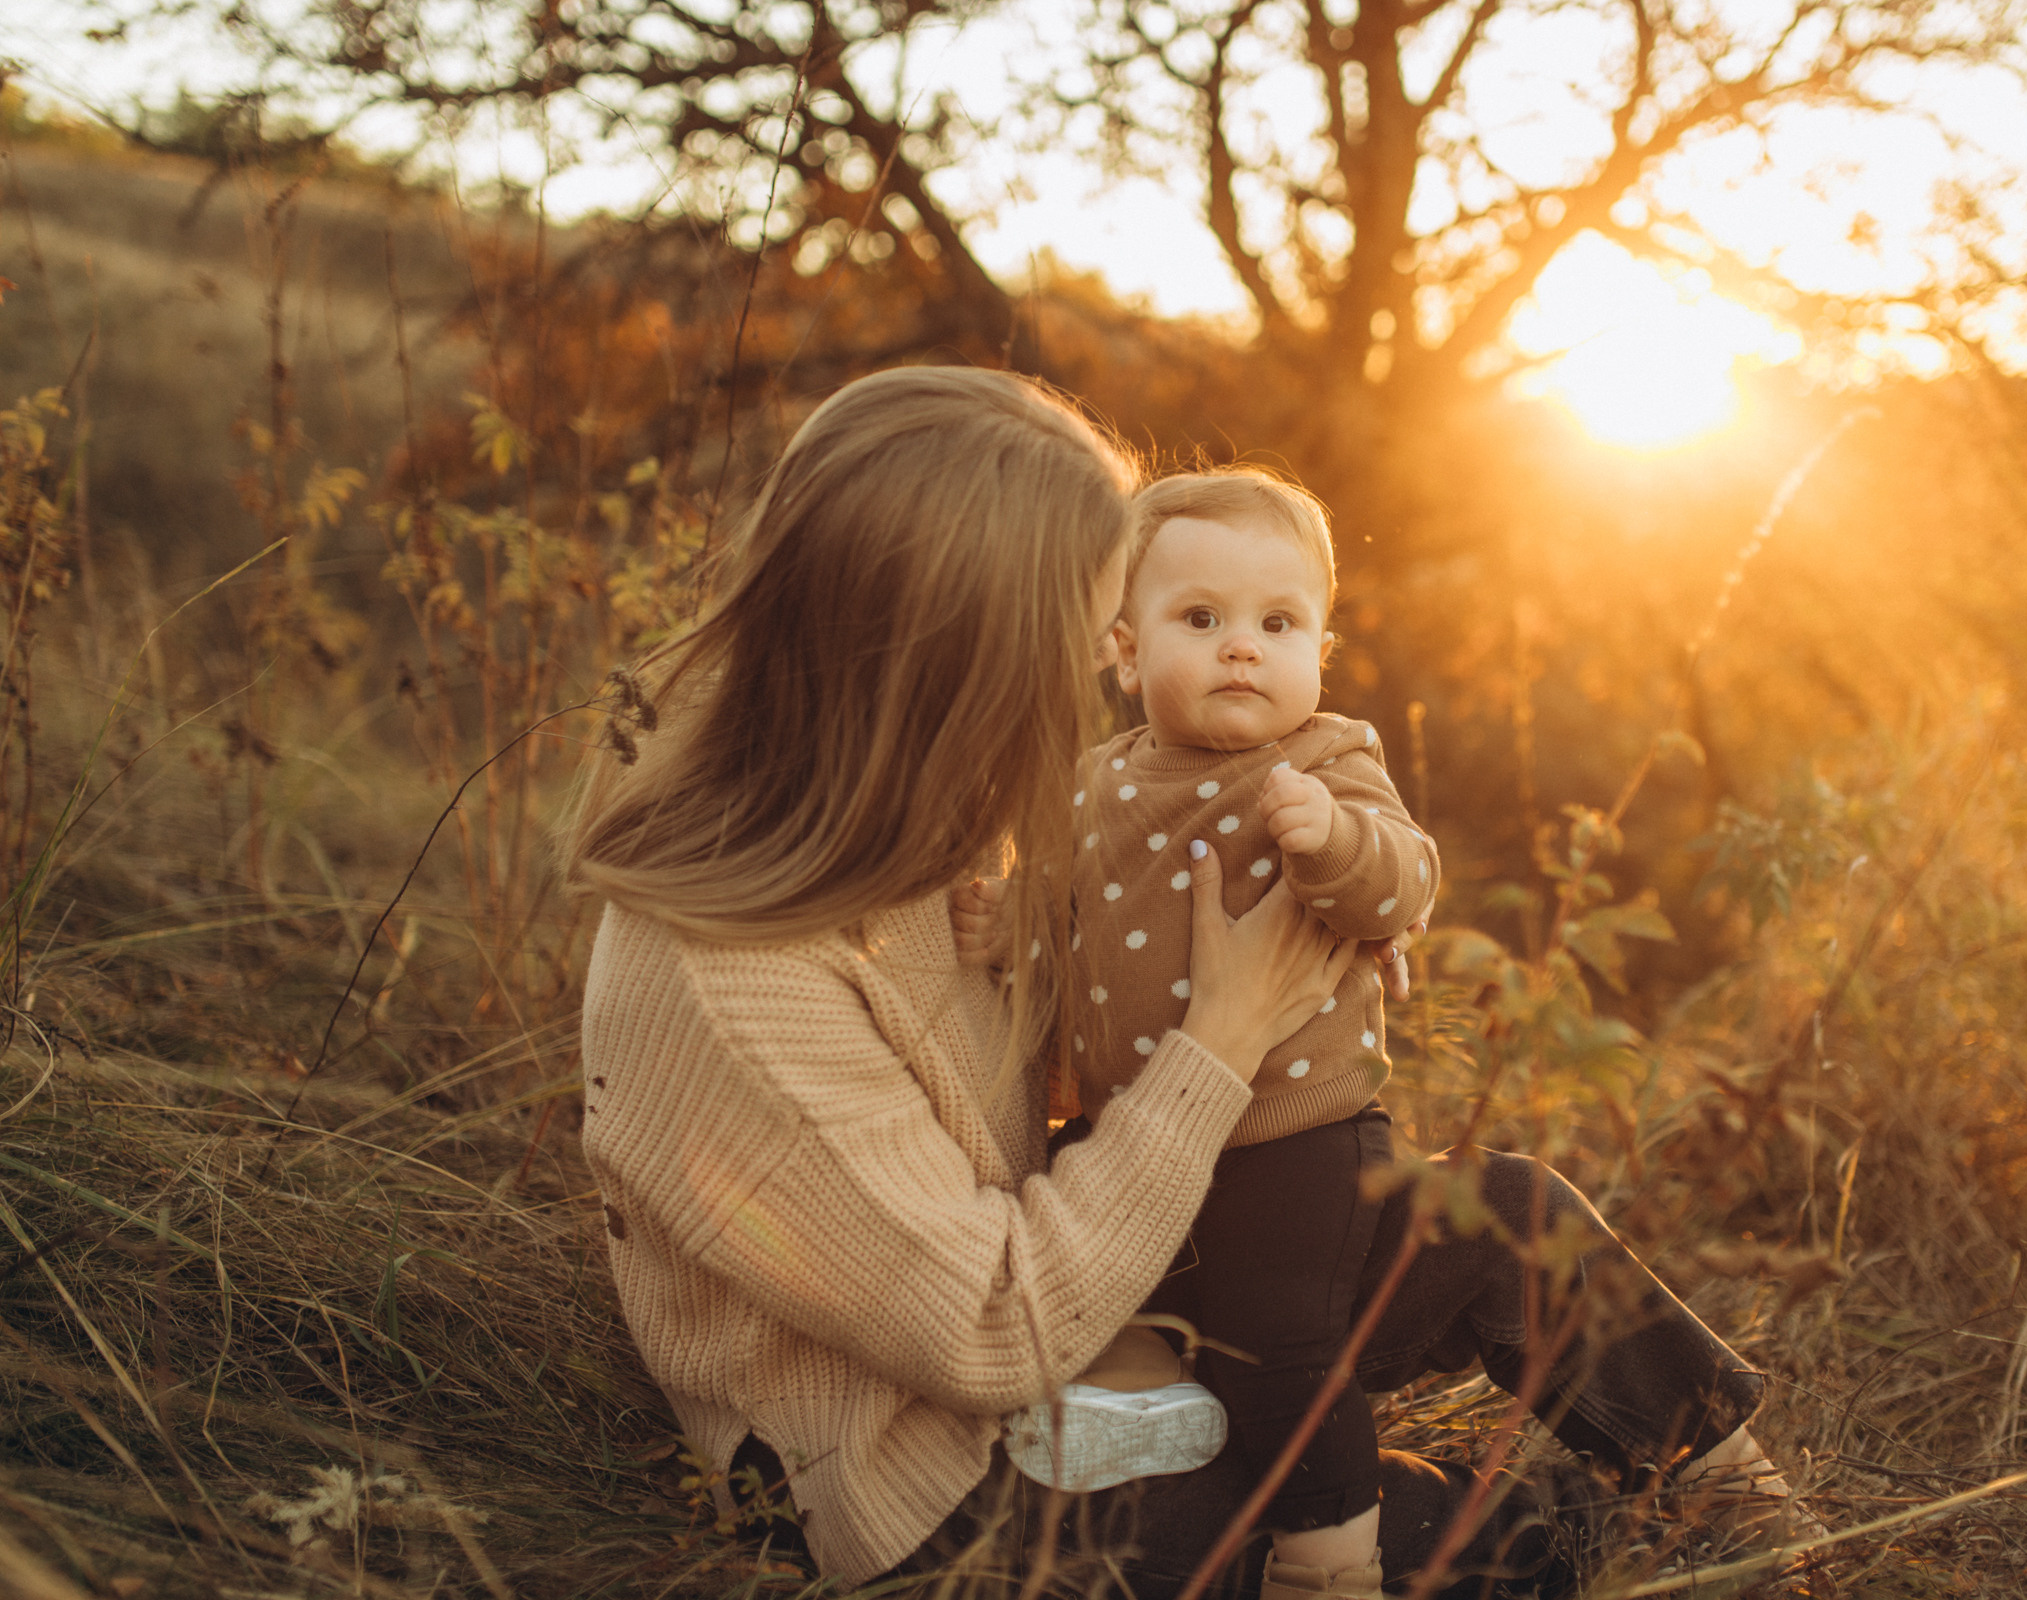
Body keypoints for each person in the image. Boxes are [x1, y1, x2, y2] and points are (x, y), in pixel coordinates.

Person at [568, 365, 1792, 1599]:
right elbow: (991, 1327)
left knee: (1511, 1220)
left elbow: (1059, 1039)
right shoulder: (729, 979)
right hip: (946, 1492)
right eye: (1097, 626)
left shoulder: (923, 819)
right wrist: (1228, 1027)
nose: (1104, 668)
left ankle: (1758, 1506)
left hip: (1121, 1304)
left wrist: (1337, 902)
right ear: (961, 654)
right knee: (1483, 1541)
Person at [954, 469, 1438, 1600]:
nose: (1243, 649)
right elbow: (1064, 927)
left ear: (1321, 649)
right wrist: (1008, 929)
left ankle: (1331, 1562)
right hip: (1135, 1129)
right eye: (1203, 618)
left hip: (1292, 1131)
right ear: (1126, 653)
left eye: (1279, 624)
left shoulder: (1328, 761)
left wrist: (1335, 842)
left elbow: (1406, 883)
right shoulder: (1094, 783)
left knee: (1275, 1341)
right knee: (1107, 1278)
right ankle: (1134, 1411)